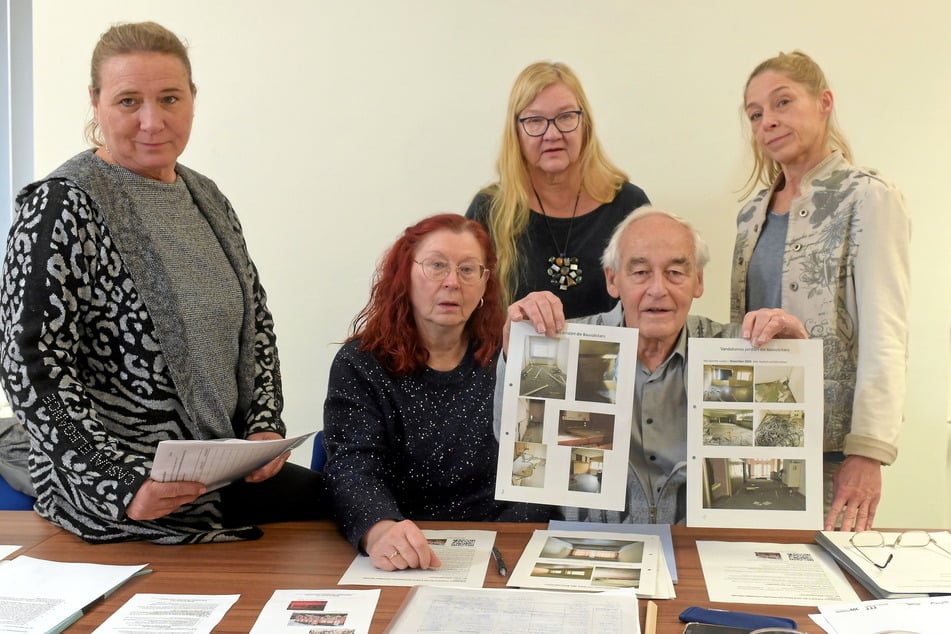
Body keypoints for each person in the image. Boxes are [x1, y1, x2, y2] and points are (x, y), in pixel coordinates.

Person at [0, 22, 325, 543]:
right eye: (129, 101)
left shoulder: (207, 198)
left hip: (219, 478)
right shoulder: (59, 207)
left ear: (193, 98)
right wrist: (120, 483)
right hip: (121, 499)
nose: (153, 121)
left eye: (169, 98)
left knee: (342, 521)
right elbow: (29, 366)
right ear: (96, 102)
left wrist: (264, 427)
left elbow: (255, 326)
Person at [505, 207, 808, 524]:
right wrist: (518, 354)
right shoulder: (567, 345)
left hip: (702, 542)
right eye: (640, 273)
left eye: (675, 273)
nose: (658, 289)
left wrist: (795, 356)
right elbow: (515, 440)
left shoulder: (738, 350)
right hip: (597, 539)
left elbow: (784, 442)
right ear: (613, 280)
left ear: (698, 281)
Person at [733, 50, 910, 532]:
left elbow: (885, 335)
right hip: (757, 444)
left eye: (783, 102)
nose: (768, 121)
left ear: (824, 102)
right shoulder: (750, 216)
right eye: (756, 114)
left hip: (835, 449)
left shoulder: (869, 197)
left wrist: (868, 452)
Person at [323, 214, 553, 570]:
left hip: (503, 552)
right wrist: (381, 529)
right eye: (436, 266)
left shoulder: (510, 353)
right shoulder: (360, 363)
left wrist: (544, 344)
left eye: (467, 269)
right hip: (403, 552)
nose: (452, 282)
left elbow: (535, 468)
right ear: (405, 275)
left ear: (484, 282)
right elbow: (352, 465)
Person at [466, 61, 649, 319]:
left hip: (611, 360)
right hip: (514, 359)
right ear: (515, 132)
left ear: (585, 124)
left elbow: (651, 298)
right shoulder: (489, 209)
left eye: (565, 117)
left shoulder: (628, 205)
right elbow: (467, 309)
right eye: (535, 121)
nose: (552, 134)